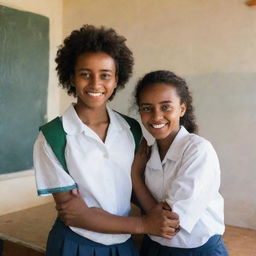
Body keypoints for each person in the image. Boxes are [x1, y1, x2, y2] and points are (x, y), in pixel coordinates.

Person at [33, 26, 179, 256]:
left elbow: (134, 186)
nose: (95, 83)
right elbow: (75, 215)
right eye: (85, 74)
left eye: (105, 75)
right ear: (71, 76)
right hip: (75, 244)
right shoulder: (53, 137)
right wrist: (144, 224)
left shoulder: (131, 129)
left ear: (116, 79)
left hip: (124, 244)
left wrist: (155, 217)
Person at [132, 70, 229, 256]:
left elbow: (170, 223)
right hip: (154, 247)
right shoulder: (148, 154)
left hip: (197, 250)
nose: (156, 116)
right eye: (147, 108)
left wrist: (135, 177)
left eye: (166, 107)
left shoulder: (198, 150)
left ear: (182, 109)